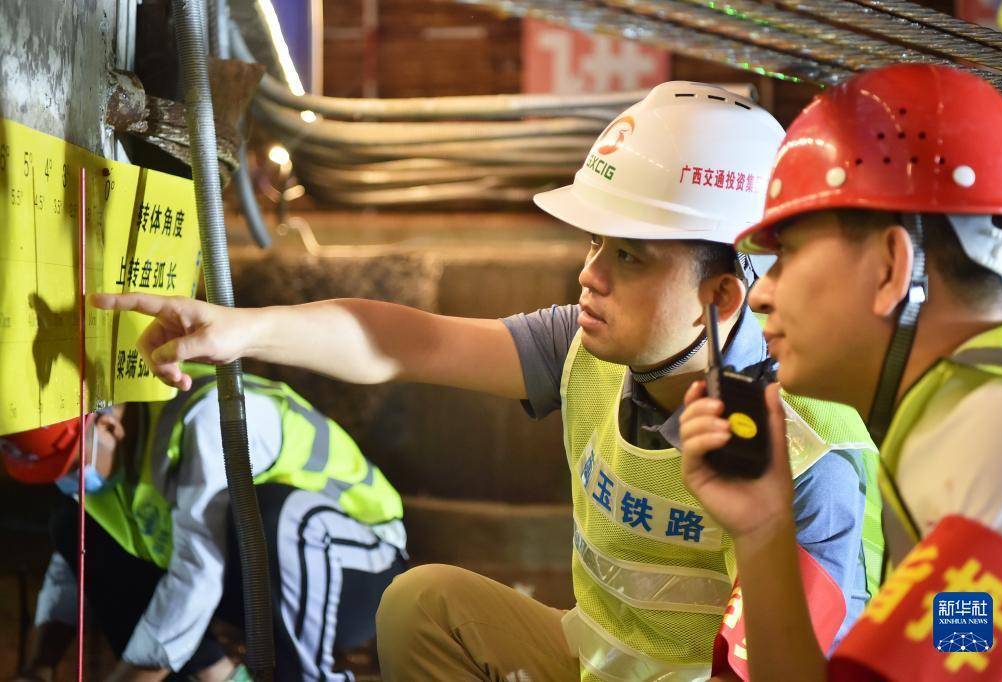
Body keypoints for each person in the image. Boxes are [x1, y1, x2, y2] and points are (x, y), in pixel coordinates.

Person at [92, 82, 881, 681]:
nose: (589, 274)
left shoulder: (809, 460)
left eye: (628, 256)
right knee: (425, 604)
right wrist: (242, 329)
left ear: (723, 296)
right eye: (595, 243)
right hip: (599, 656)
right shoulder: (590, 350)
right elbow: (406, 343)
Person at [679, 63, 1002, 680]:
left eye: (787, 255)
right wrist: (763, 530)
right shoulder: (963, 416)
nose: (762, 294)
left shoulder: (994, 440)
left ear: (892, 267)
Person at [2, 364, 406, 682]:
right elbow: (75, 562)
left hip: (358, 569)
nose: (67, 480)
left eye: (71, 466)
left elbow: (199, 572)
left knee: (270, 517)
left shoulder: (207, 418)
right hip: (256, 586)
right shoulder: (103, 453)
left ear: (108, 426)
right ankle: (223, 678)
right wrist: (38, 668)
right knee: (72, 525)